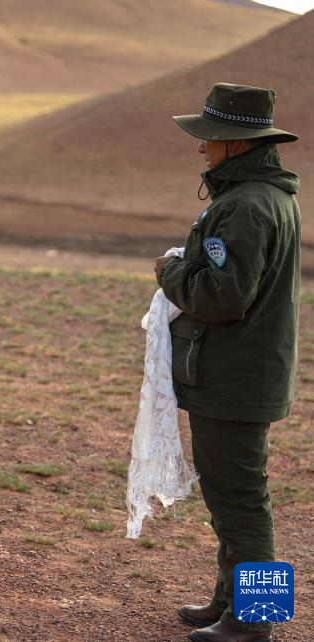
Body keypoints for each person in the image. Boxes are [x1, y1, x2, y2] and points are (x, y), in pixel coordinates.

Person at [154, 83, 300, 642]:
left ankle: (256, 620)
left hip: (234, 377)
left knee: (241, 501)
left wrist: (169, 273)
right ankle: (230, 602)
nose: (201, 149)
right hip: (244, 372)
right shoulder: (268, 197)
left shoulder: (244, 206)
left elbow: (223, 298)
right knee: (234, 496)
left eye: (209, 139)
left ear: (236, 145)